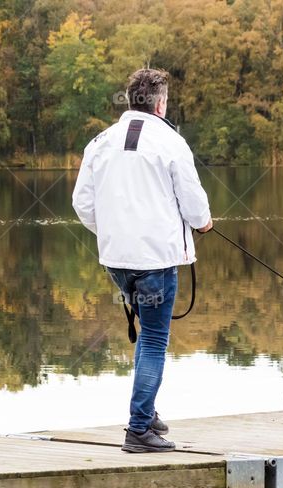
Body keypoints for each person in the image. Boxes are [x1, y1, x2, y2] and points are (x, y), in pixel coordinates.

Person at [72, 68, 213, 453]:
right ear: (161, 103)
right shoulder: (170, 141)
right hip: (155, 261)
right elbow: (195, 203)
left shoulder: (99, 142)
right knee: (152, 338)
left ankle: (146, 414)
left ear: (130, 99)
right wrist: (203, 224)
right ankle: (138, 430)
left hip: (117, 260)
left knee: (148, 333)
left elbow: (82, 204)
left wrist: (113, 234)